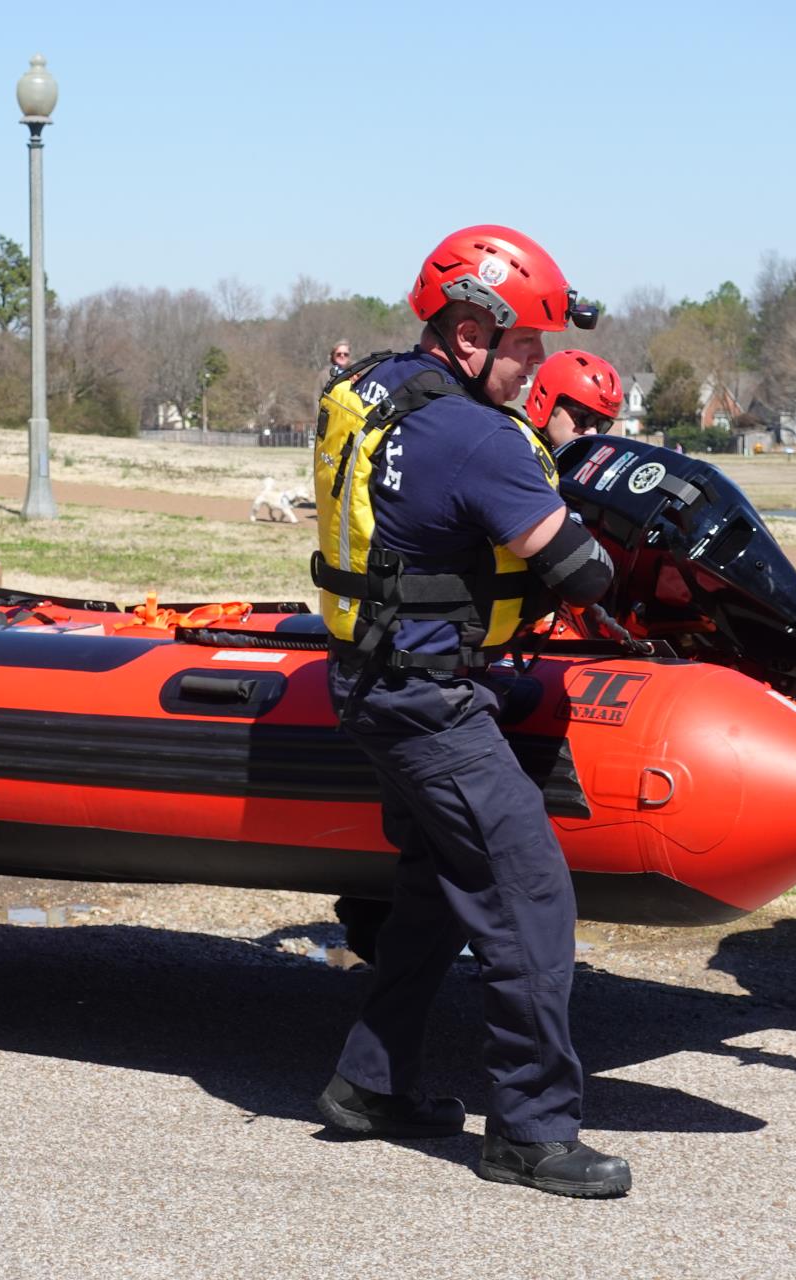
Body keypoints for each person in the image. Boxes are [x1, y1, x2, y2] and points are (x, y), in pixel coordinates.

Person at [308, 225, 629, 1198]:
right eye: (525, 344)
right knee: (531, 893)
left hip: (367, 674)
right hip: (424, 695)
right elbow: (581, 567)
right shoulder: (478, 436)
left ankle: (371, 1081)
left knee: (439, 879)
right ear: (468, 329)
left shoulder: (369, 388)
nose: (535, 369)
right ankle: (530, 1128)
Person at [525, 349, 623, 448]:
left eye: (602, 425)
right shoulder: (517, 453)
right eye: (583, 418)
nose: (593, 432)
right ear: (543, 404)